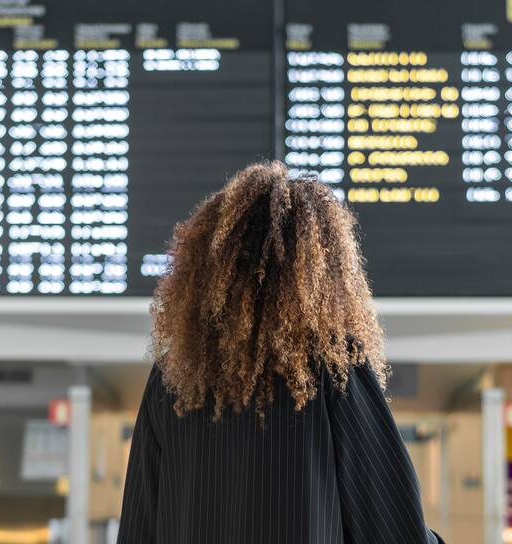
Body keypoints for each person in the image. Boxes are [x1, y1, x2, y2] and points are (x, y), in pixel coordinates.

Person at [117, 162, 442, 544]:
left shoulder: (171, 377)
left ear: (207, 267)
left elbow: (137, 531)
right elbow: (395, 529)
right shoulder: (331, 364)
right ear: (321, 270)